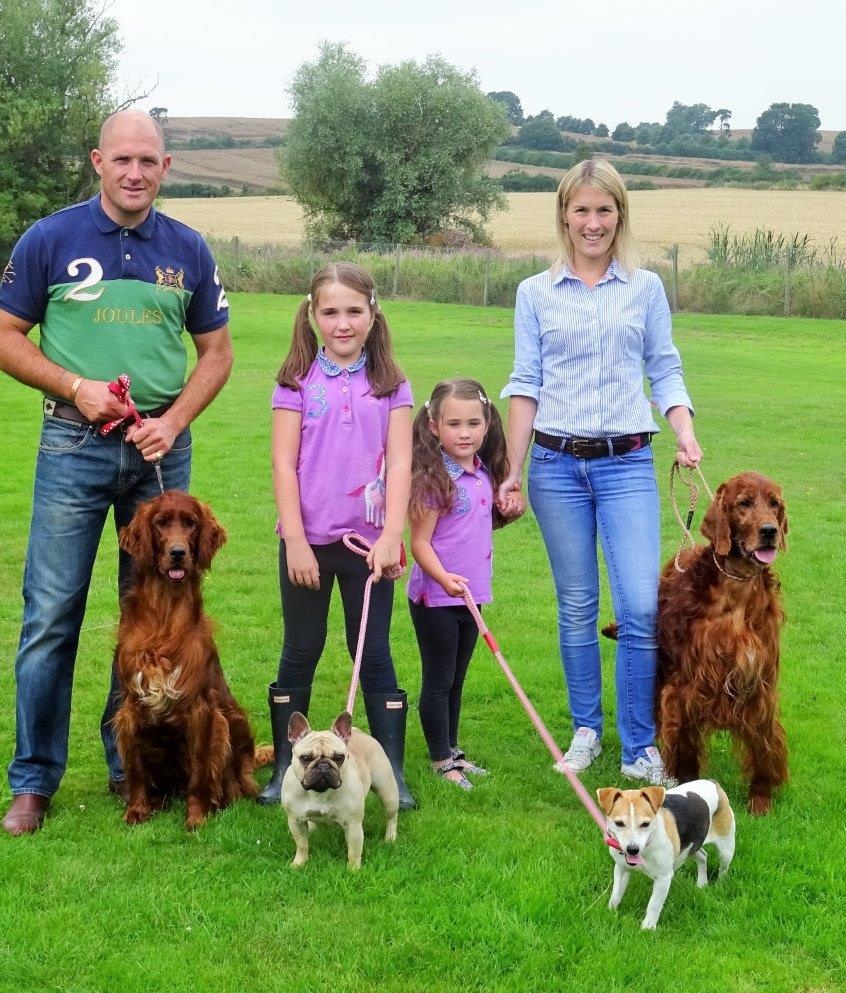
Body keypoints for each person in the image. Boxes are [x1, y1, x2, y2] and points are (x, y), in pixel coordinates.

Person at [0, 109, 232, 835]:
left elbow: (216, 354)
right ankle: (33, 780)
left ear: (165, 168)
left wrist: (176, 419)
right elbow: (1, 340)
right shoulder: (50, 238)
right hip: (74, 442)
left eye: (148, 161)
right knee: (51, 615)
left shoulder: (187, 248)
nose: (134, 172)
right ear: (98, 160)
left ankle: (130, 764)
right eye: (122, 159)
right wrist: (74, 387)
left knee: (154, 619)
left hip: (158, 454)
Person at [497, 158, 702, 787]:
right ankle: (586, 730)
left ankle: (640, 745)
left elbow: (664, 367)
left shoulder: (645, 289)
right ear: (564, 214)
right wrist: (512, 469)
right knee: (578, 605)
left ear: (620, 215)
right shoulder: (534, 292)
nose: (592, 223)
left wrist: (684, 429)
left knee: (640, 606)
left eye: (604, 211)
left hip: (628, 463)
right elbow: (526, 384)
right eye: (581, 210)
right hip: (556, 468)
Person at [260, 262, 417, 810]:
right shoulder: (296, 381)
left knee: (370, 652)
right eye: (331, 312)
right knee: (300, 649)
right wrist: (297, 542)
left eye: (354, 311)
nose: (342, 323)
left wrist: (392, 535)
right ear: (312, 314)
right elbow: (284, 465)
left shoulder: (392, 385)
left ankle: (389, 771)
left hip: (370, 547)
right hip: (308, 543)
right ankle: (285, 768)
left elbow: (401, 463)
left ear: (373, 316)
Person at [406, 379, 523, 790]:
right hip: (435, 598)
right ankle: (440, 760)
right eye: (454, 424)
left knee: (457, 678)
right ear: (435, 426)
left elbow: (476, 526)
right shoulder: (434, 479)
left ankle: (452, 749)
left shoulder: (483, 473)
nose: (465, 432)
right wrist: (444, 579)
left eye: (474, 423)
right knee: (438, 679)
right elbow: (419, 543)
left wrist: (510, 511)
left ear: (487, 424)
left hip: (472, 596)